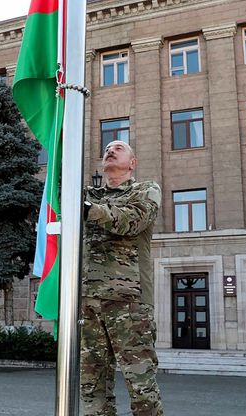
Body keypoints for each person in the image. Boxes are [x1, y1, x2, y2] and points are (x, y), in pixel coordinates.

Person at [81, 140, 164, 416]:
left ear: (132, 163)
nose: (110, 150)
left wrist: (92, 210)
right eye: (106, 149)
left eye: (118, 148)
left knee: (141, 388)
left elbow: (133, 220)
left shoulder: (146, 190)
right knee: (92, 388)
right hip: (88, 301)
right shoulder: (88, 194)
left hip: (130, 302)